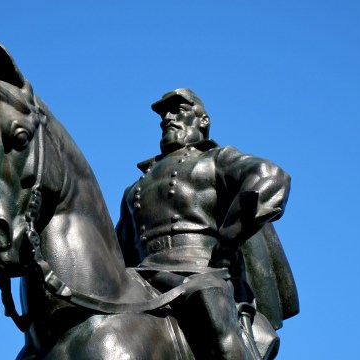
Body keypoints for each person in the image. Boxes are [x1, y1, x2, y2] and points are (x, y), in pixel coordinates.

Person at [116, 88, 297, 359]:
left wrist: (228, 241)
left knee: (210, 310)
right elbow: (115, 250)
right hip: (142, 277)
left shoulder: (215, 160)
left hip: (201, 271)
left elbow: (271, 176)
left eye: (178, 110)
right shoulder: (136, 187)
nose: (167, 118)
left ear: (203, 121)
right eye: (164, 114)